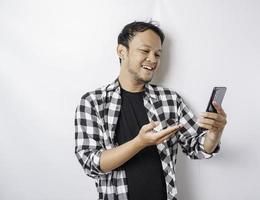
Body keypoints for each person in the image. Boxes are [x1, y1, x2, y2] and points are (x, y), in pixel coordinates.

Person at [74, 21, 227, 200]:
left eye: (157, 54)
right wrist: (140, 142)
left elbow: (196, 147)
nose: (153, 59)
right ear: (122, 51)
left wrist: (214, 135)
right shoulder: (93, 102)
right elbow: (91, 163)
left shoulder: (170, 99)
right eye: (145, 51)